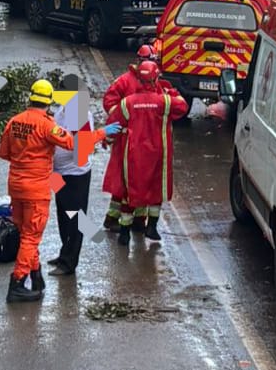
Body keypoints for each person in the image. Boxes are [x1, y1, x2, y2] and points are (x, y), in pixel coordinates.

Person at [0, 80, 76, 303]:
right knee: (32, 236)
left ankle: (35, 275)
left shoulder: (14, 121)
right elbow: (70, 143)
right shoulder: (46, 125)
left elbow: (3, 153)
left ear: (30, 98)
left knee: (25, 235)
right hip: (36, 190)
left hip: (16, 186)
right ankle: (18, 282)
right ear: (49, 102)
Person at [104, 61, 189, 245]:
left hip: (133, 153)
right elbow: (182, 107)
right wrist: (171, 91)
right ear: (155, 78)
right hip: (158, 154)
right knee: (155, 190)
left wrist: (107, 139)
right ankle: (151, 227)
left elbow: (114, 121)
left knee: (130, 191)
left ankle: (124, 233)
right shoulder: (164, 101)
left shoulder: (128, 103)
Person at [102, 45, 167, 232]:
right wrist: (122, 122)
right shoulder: (124, 81)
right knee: (125, 182)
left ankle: (138, 219)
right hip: (127, 140)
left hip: (146, 140)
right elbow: (110, 102)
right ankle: (114, 219)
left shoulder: (155, 81)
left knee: (144, 181)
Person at [49, 79, 94, 277]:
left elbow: (82, 150)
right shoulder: (61, 110)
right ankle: (63, 252)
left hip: (75, 175)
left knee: (75, 217)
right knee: (62, 213)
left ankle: (69, 262)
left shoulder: (81, 115)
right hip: (57, 172)